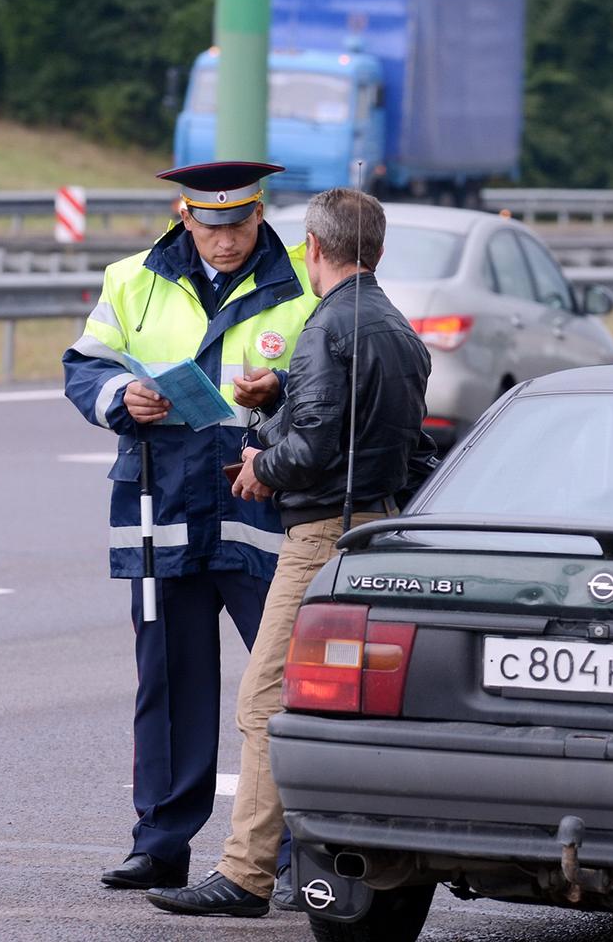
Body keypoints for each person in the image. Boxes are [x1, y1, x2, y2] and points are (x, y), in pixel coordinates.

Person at [146, 187, 436, 918]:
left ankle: (246, 874)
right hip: (377, 527)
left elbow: (315, 445)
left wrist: (259, 465)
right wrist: (280, 395)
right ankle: (324, 859)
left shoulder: (328, 325)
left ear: (313, 246)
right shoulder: (396, 328)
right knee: (339, 707)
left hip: (317, 537)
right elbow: (377, 436)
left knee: (265, 701)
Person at [63, 161, 319, 891]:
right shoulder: (132, 278)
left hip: (260, 507)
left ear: (259, 215)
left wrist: (283, 388)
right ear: (184, 216)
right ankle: (161, 842)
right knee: (168, 683)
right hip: (163, 504)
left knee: (286, 689)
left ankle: (300, 850)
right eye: (211, 227)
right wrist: (122, 395)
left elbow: (335, 376)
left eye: (239, 226)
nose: (226, 242)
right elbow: (86, 365)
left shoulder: (301, 280)